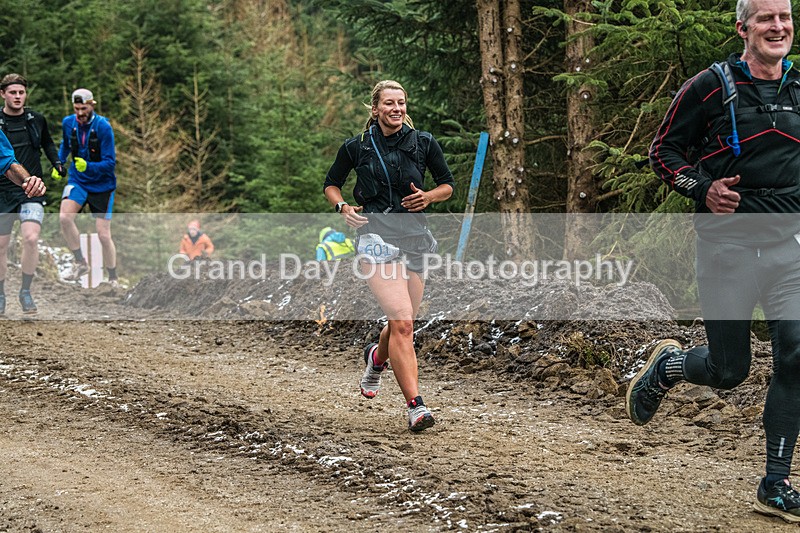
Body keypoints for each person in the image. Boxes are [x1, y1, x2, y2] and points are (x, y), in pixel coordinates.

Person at [630, 0, 800, 522]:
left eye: (785, 17)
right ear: (743, 27)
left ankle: (775, 483)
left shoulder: (799, 87)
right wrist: (702, 188)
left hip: (788, 248)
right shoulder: (709, 86)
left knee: (796, 354)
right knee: (730, 370)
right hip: (727, 247)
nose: (778, 26)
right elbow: (663, 152)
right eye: (766, 18)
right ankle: (668, 367)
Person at [323, 80, 454, 432]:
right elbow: (331, 183)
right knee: (403, 323)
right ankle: (416, 407)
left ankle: (376, 357)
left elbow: (447, 184)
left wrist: (429, 196)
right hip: (375, 239)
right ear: (376, 108)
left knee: (402, 323)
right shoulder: (357, 146)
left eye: (401, 103)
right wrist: (342, 207)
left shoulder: (423, 142)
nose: (396, 109)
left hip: (415, 239)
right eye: (389, 103)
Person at [0, 74, 62, 314]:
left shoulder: (36, 119)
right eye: (12, 92)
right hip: (3, 192)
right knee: (1, 245)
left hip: (31, 189)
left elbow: (48, 143)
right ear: (3, 94)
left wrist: (57, 162)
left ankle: (25, 291)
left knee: (31, 238)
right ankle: (1, 294)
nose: (17, 97)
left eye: (21, 92)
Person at [57, 88, 119, 287]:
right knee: (65, 217)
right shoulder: (68, 123)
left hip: (102, 185)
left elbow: (110, 163)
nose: (80, 113)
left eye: (83, 108)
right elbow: (65, 145)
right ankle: (80, 262)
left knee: (103, 234)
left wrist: (89, 166)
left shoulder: (103, 127)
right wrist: (59, 164)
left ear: (92, 105)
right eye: (76, 109)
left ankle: (113, 277)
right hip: (78, 180)